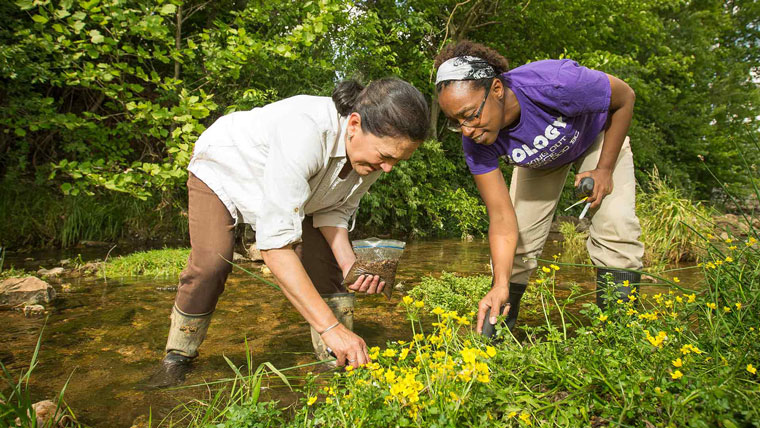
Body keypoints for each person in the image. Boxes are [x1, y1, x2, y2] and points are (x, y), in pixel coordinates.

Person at [151, 78, 430, 386]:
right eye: (386, 156)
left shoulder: (372, 159)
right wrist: (329, 327)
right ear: (354, 124)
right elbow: (275, 247)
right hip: (224, 169)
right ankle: (178, 355)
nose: (389, 168)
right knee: (212, 263)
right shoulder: (306, 132)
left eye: (397, 160)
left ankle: (337, 359)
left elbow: (333, 210)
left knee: (329, 268)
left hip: (301, 191)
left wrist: (351, 265)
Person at [433, 41, 644, 334]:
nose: (466, 129)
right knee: (517, 247)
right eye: (456, 122)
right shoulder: (474, 141)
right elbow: (502, 219)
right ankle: (499, 332)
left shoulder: (556, 83)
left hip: (598, 137)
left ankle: (620, 335)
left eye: (470, 115)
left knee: (616, 224)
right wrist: (500, 284)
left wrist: (605, 170)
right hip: (541, 161)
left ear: (496, 89)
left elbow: (625, 98)